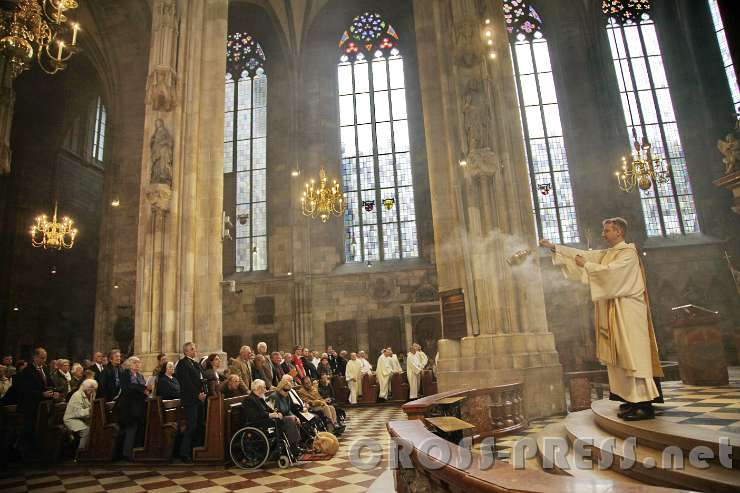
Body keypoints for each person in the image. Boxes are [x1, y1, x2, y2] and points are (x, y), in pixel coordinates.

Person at [541, 217, 663, 421]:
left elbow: (611, 274)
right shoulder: (608, 253)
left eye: (607, 230)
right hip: (614, 310)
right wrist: (554, 247)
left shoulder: (628, 254)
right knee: (621, 357)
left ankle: (644, 404)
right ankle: (630, 400)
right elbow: (582, 256)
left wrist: (587, 265)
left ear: (619, 232)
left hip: (628, 311)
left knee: (632, 355)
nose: (603, 234)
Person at [17, 347, 58, 457]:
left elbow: (50, 384)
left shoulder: (44, 369)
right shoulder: (27, 371)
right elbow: (25, 390)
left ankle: (40, 451)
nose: (44, 360)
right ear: (35, 357)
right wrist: (41, 394)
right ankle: (28, 454)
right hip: (31, 406)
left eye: (45, 358)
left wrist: (53, 392)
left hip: (43, 407)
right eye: (42, 358)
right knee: (30, 429)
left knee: (42, 429)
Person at [175, 342, 206, 463]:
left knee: (199, 425)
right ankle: (184, 453)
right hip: (190, 400)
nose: (195, 350)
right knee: (191, 426)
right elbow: (186, 383)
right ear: (186, 351)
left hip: (198, 399)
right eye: (192, 349)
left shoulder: (195, 363)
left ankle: (196, 451)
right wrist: (197, 394)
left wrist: (203, 393)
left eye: (194, 348)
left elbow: (201, 380)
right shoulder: (183, 364)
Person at [247, 379, 301, 449]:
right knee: (290, 420)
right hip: (261, 423)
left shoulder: (260, 398)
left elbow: (269, 409)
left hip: (270, 420)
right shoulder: (249, 399)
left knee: (292, 419)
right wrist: (270, 415)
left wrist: (276, 413)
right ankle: (294, 447)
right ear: (259, 388)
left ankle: (296, 444)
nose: (265, 390)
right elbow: (254, 416)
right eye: (264, 387)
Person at [63, 379, 98, 450]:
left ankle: (92, 451)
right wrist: (90, 410)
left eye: (93, 388)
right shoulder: (77, 395)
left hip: (83, 419)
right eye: (90, 387)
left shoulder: (92, 394)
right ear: (85, 386)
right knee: (86, 430)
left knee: (96, 428)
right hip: (72, 419)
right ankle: (81, 452)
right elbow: (77, 412)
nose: (92, 390)